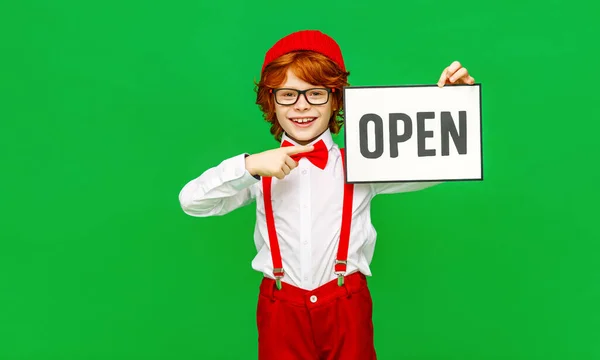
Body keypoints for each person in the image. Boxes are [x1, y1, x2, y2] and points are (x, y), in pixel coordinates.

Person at [179, 29, 475, 360]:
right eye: (288, 94)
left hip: (346, 305)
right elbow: (191, 201)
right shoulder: (257, 172)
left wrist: (455, 106)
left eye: (315, 93)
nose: (301, 106)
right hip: (280, 308)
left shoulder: (365, 162)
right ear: (270, 101)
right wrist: (248, 165)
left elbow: (444, 167)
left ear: (335, 98)